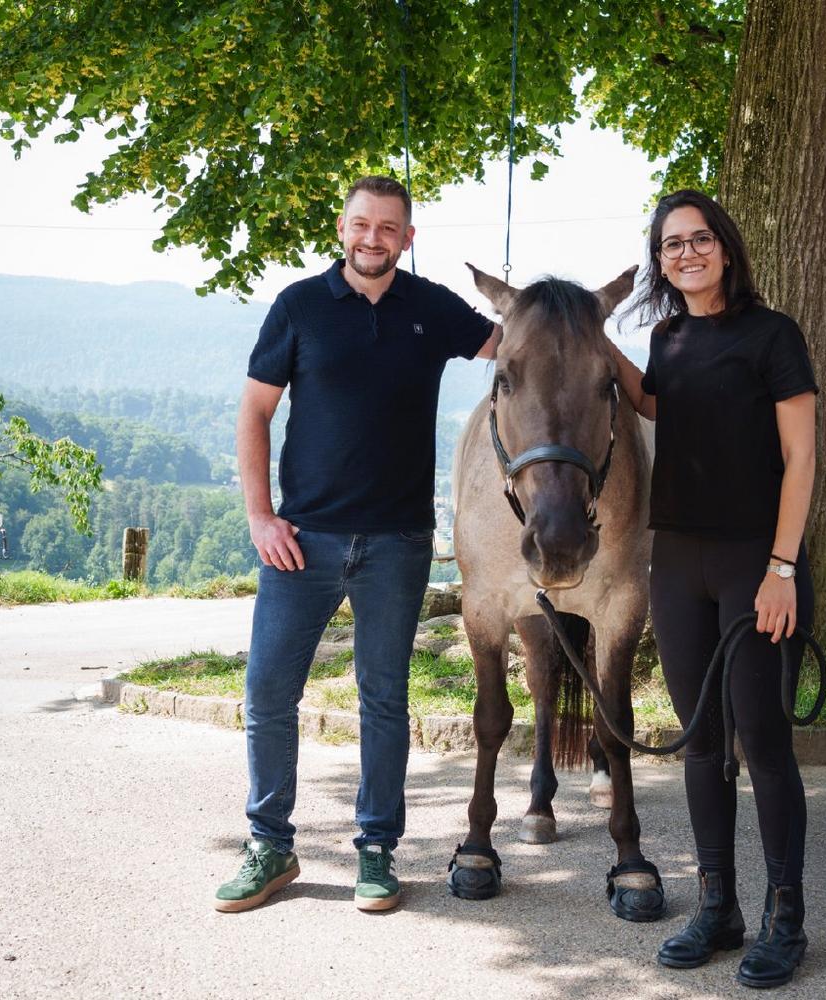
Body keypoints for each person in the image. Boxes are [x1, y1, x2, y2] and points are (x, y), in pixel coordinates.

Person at [215, 175, 500, 914]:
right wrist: (261, 517)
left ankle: (376, 849)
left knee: (384, 700)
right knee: (268, 694)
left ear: (408, 237)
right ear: (342, 229)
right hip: (301, 541)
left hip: (398, 543)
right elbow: (254, 413)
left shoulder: (432, 307)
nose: (373, 238)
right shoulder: (299, 306)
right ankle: (270, 846)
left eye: (388, 227)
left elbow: (518, 344)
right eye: (361, 224)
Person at [609, 189, 817, 989]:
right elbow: (656, 401)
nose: (687, 253)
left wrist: (782, 568)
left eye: (699, 239)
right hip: (677, 561)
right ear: (660, 262)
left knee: (762, 741)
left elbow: (801, 459)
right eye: (672, 244)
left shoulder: (773, 335)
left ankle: (785, 920)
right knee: (700, 741)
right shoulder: (668, 338)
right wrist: (597, 346)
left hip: (755, 562)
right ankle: (718, 907)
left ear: (725, 249)